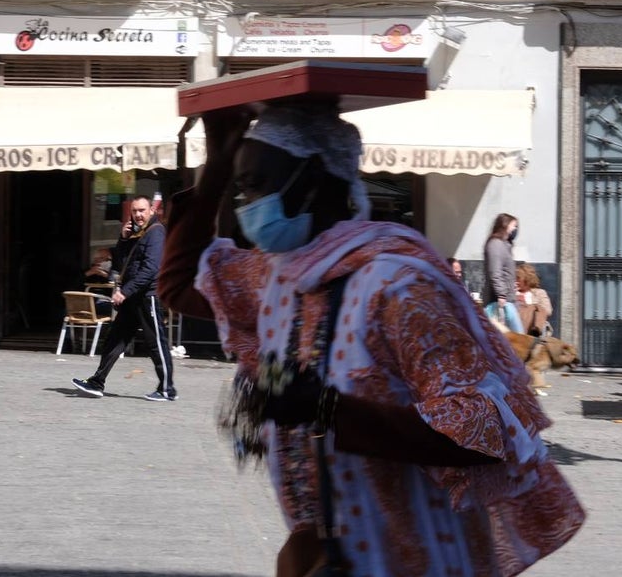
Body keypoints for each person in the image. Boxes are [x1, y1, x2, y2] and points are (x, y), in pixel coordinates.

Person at [158, 103, 583, 577]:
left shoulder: (399, 284)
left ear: (314, 178)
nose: (246, 204)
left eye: (255, 184)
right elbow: (180, 284)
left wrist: (326, 409)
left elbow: (482, 432)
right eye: (241, 190)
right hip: (326, 555)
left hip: (415, 557)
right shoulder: (280, 275)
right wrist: (218, 161)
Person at [72, 196, 175, 402]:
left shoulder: (156, 233)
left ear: (151, 211)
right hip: (132, 298)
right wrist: (123, 238)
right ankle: (97, 382)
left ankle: (167, 389)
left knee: (156, 343)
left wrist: (125, 291)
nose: (138, 214)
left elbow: (150, 269)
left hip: (146, 297)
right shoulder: (138, 233)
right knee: (114, 339)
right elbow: (121, 263)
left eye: (142, 210)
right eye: (135, 211)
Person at [483, 213, 522, 333]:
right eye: (513, 226)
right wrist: (501, 294)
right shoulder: (495, 244)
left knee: (514, 340)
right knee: (518, 339)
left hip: (508, 300)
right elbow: (495, 272)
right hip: (501, 302)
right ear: (504, 226)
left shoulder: (505, 246)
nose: (515, 230)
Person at [515, 262, 553, 336]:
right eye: (515, 278)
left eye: (518, 278)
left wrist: (529, 305)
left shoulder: (539, 293)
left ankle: (535, 331)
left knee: (538, 309)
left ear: (526, 279)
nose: (516, 281)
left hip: (531, 325)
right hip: (516, 324)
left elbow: (548, 310)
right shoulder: (512, 293)